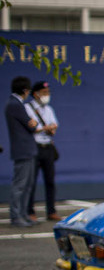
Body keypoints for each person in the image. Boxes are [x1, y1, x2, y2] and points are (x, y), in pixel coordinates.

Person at [25, 80, 60, 221]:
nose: (47, 95)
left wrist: (50, 129)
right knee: (31, 180)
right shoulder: (28, 108)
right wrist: (44, 128)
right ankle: (30, 211)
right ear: (35, 94)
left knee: (50, 180)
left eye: (48, 93)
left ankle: (51, 211)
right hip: (35, 146)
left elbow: (54, 125)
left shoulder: (49, 109)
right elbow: (31, 128)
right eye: (44, 93)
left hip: (48, 147)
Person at [6, 76, 38, 227]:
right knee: (20, 184)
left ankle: (23, 214)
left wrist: (32, 123)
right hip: (23, 149)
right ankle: (16, 215)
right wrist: (33, 123)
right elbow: (31, 125)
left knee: (27, 184)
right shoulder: (15, 104)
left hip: (26, 149)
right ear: (25, 90)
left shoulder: (14, 104)